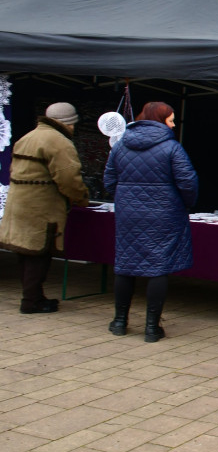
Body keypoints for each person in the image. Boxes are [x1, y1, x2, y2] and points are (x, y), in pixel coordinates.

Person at [104, 102, 198, 342]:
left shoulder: (121, 144)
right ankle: (151, 328)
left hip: (128, 213)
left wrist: (125, 199)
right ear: (160, 120)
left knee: (125, 264)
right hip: (164, 213)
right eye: (171, 120)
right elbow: (188, 182)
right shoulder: (171, 147)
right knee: (158, 267)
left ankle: (119, 322)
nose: (174, 124)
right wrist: (183, 204)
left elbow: (109, 179)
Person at [0, 102, 89, 314]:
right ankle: (31, 301)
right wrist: (81, 198)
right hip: (41, 206)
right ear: (66, 123)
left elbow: (14, 168)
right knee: (39, 253)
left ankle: (35, 296)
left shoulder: (28, 137)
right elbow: (68, 178)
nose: (73, 128)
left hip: (19, 202)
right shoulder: (59, 142)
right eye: (72, 124)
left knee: (27, 252)